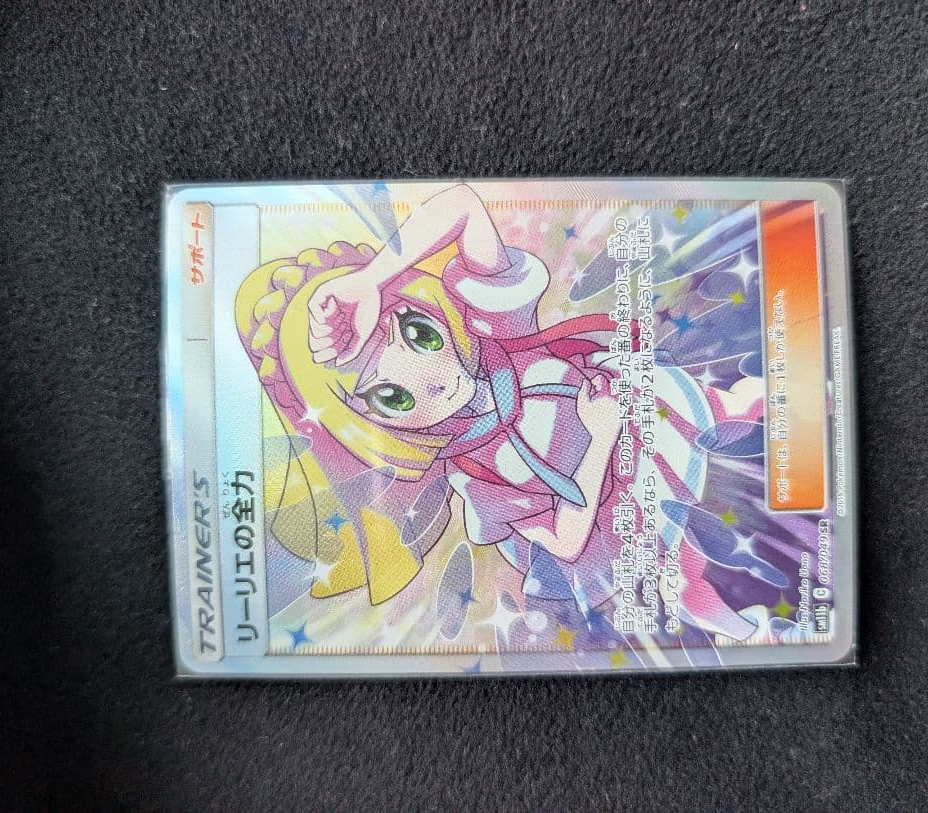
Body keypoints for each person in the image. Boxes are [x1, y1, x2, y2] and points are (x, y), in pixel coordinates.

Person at [238, 183, 760, 642]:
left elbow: (463, 205)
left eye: (420, 334)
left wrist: (370, 281)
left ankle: (772, 401)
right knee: (681, 574)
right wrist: (601, 439)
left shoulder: (496, 332)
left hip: (643, 414)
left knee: (729, 407)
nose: (433, 378)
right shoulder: (474, 475)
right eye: (392, 397)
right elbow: (566, 542)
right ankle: (740, 624)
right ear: (372, 429)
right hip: (608, 502)